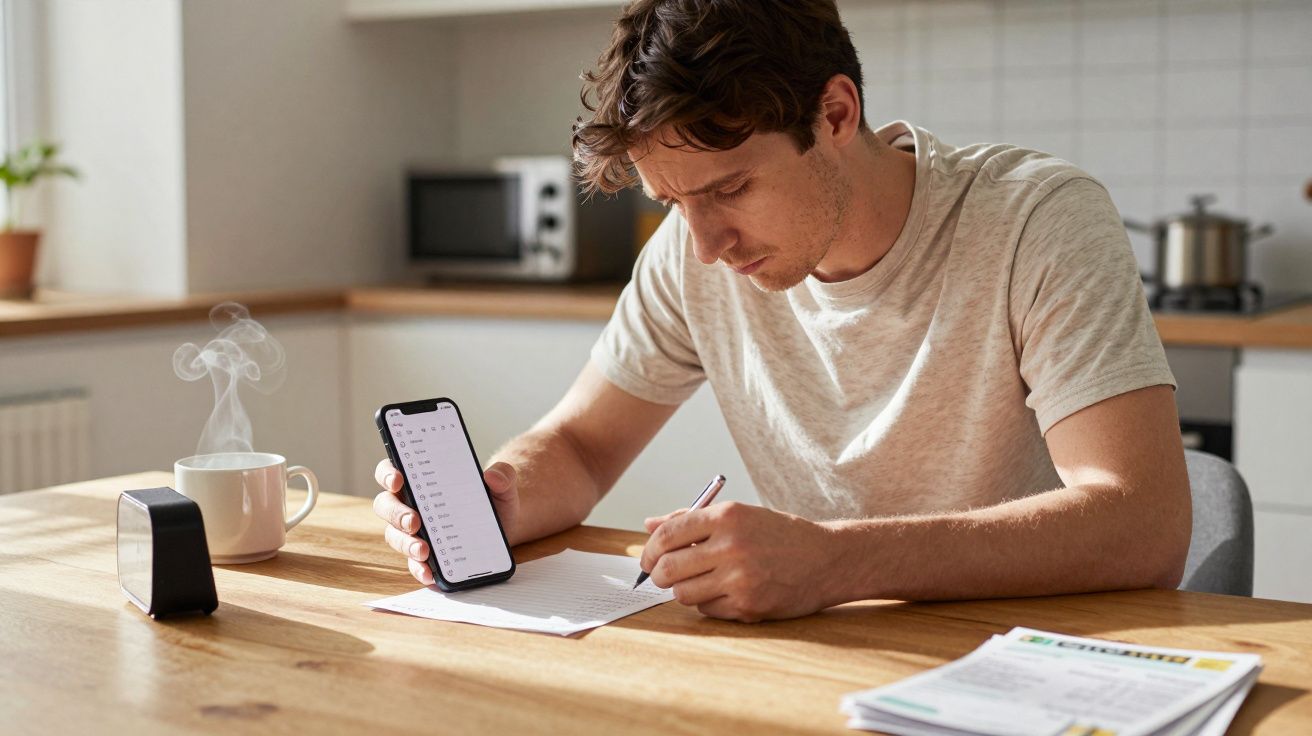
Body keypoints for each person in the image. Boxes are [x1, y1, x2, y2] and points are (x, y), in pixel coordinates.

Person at [373, 0, 1191, 622]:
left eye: (731, 188)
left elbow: (1143, 522)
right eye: (671, 203)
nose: (704, 245)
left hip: (1028, 653)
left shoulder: (1035, 219)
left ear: (835, 114)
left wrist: (838, 562)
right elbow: (583, 448)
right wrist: (506, 493)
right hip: (823, 653)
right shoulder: (689, 254)